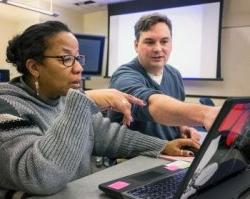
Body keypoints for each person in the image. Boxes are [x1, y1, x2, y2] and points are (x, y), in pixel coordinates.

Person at [0, 21, 200, 197]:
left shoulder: (59, 98)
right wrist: (83, 102)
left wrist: (162, 146)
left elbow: (108, 136)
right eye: (66, 59)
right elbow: (40, 177)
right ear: (34, 67)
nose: (78, 68)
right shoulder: (7, 105)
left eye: (78, 58)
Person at [109, 13, 219, 154]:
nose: (158, 49)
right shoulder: (123, 76)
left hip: (173, 155)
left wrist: (182, 127)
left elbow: (172, 113)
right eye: (150, 42)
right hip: (135, 159)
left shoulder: (174, 74)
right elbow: (152, 104)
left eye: (164, 41)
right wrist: (205, 114)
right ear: (136, 45)